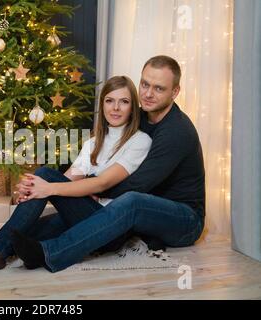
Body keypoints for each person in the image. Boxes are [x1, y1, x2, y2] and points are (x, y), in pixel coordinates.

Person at [0, 75, 152, 278]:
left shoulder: (139, 141)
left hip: (109, 225)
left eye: (124, 102)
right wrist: (34, 188)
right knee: (16, 235)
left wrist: (47, 187)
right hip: (83, 213)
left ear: (133, 107)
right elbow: (69, 178)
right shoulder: (95, 142)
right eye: (110, 101)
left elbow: (103, 182)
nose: (116, 108)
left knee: (44, 175)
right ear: (103, 105)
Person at [11, 55, 206, 273]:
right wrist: (71, 190)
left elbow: (139, 184)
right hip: (144, 206)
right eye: (144, 84)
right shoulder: (139, 116)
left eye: (159, 88)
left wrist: (91, 189)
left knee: (130, 201)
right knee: (60, 220)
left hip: (184, 219)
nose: (148, 94)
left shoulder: (176, 131)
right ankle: (3, 244)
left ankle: (50, 253)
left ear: (175, 92)